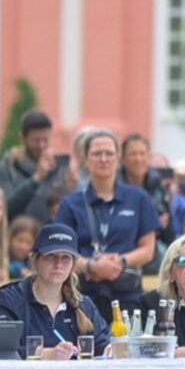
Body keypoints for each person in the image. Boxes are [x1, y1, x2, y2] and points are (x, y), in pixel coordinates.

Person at [52, 128, 161, 324]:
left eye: (109, 153)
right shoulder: (70, 204)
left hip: (127, 296)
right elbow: (60, 252)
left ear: (118, 158)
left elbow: (148, 249)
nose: (103, 159)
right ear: (86, 159)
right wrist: (90, 266)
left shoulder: (138, 198)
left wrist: (119, 261)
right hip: (82, 298)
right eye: (97, 153)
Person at [0, 224, 110, 358]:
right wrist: (47, 354)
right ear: (35, 259)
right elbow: (2, 352)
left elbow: (103, 345)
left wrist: (110, 350)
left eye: (66, 257)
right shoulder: (9, 300)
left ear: (73, 264)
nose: (58, 264)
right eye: (50, 256)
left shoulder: (84, 305)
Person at [0, 109, 74, 222]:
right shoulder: (6, 168)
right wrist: (36, 179)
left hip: (50, 236)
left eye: (45, 140)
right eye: (35, 141)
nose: (41, 146)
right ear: (22, 138)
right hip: (19, 236)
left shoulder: (60, 167)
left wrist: (72, 187)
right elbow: (6, 207)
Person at [119, 133, 175, 236]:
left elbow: (166, 225)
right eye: (133, 154)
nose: (138, 159)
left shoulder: (157, 182)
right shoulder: (114, 185)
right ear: (123, 158)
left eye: (142, 153)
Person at [6, 215, 39, 280]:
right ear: (10, 239)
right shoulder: (3, 256)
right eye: (19, 240)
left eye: (28, 242)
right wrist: (17, 269)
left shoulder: (35, 262)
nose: (23, 247)